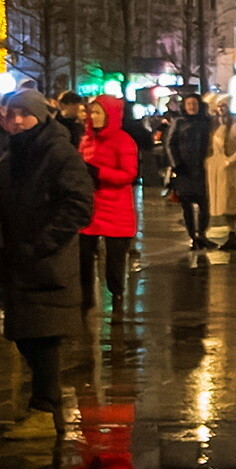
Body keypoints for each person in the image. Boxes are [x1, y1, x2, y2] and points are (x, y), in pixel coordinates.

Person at [0, 89, 99, 432]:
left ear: (40, 116)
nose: (18, 121)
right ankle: (47, 408)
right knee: (23, 333)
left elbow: (79, 204)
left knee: (44, 336)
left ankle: (45, 409)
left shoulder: (58, 153)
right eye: (12, 114)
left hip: (47, 260)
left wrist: (43, 242)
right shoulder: (8, 156)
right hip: (15, 259)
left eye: (25, 114)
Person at [79, 94, 141, 313]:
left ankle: (117, 296)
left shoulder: (124, 141)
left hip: (116, 208)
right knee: (83, 257)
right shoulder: (86, 140)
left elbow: (128, 174)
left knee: (114, 262)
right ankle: (85, 297)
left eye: (97, 112)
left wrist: (98, 173)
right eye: (91, 112)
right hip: (90, 207)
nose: (92, 116)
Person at [164, 93, 214, 251]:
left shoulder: (206, 122)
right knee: (186, 204)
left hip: (202, 168)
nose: (192, 106)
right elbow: (169, 144)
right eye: (189, 103)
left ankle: (202, 234)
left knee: (205, 204)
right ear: (184, 106)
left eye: (194, 103)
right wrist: (176, 163)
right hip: (184, 169)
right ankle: (193, 236)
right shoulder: (179, 122)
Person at [205, 103, 236, 252]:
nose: (220, 110)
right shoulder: (218, 126)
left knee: (230, 201)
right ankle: (235, 234)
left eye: (223, 106)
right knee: (224, 204)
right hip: (217, 169)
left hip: (230, 170)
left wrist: (229, 161)